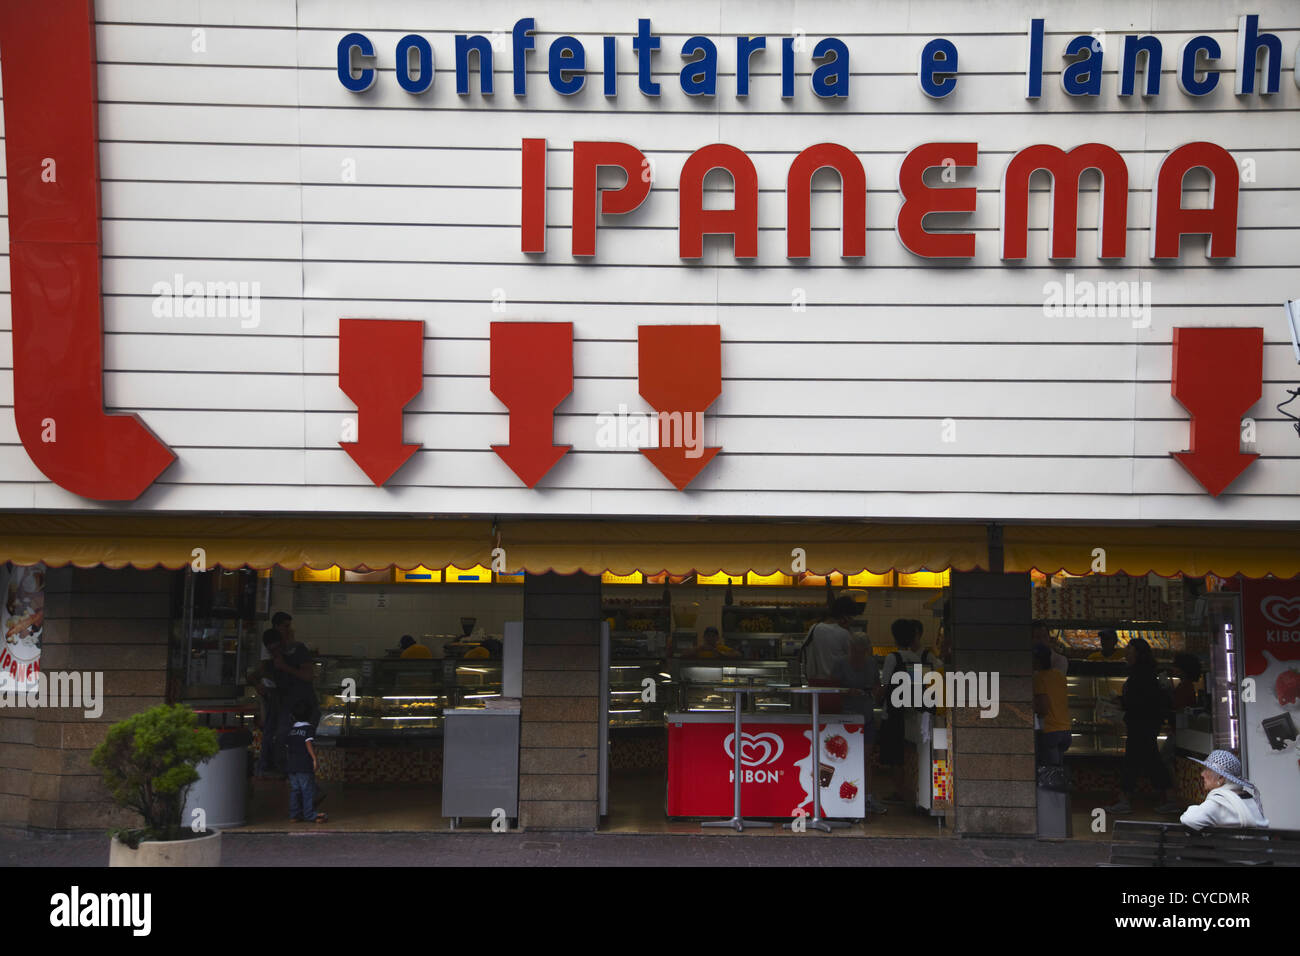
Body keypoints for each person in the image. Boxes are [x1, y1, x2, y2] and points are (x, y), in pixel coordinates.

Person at [1105, 638, 1180, 814]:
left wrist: (1122, 704)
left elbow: (1140, 701)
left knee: (1138, 761)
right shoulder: (1145, 673)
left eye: (1129, 650)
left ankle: (1127, 799)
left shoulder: (1141, 675)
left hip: (1141, 724)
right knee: (1148, 760)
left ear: (1138, 653)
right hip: (1144, 723)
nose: (1126, 653)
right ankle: (1168, 798)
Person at [879, 618, 933, 802]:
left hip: (893, 713)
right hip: (909, 712)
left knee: (894, 756)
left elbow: (884, 685)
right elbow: (921, 687)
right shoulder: (918, 658)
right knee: (907, 751)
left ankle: (899, 792)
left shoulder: (892, 658)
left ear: (895, 637)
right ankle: (910, 790)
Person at [836, 633, 886, 814]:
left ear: (865, 651)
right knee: (845, 759)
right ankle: (843, 798)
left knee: (866, 758)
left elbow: (877, 685)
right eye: (853, 651)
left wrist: (875, 692)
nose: (855, 655)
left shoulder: (871, 663)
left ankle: (867, 798)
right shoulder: (840, 664)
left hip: (866, 716)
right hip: (844, 719)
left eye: (859, 652)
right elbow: (832, 689)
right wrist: (847, 692)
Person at [1179, 750, 1269, 830]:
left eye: (1207, 770)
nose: (1202, 774)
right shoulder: (1249, 799)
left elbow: (1189, 819)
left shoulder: (1220, 802)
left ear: (1221, 778)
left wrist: (1192, 809)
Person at [802, 593, 861, 714]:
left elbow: (805, 654)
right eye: (851, 617)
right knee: (836, 727)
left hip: (815, 687)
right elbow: (855, 659)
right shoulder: (844, 634)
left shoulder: (814, 628)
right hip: (838, 688)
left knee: (817, 725)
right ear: (844, 616)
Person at [285, 699, 328, 824]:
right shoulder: (309, 729)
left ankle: (294, 814)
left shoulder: (291, 730)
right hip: (304, 765)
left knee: (295, 790)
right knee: (307, 790)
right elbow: (308, 743)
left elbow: (288, 747)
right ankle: (310, 815)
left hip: (292, 765)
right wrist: (314, 758)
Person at [251, 628, 284, 776]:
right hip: (274, 698)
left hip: (273, 698)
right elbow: (256, 674)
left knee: (270, 732)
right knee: (271, 732)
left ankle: (266, 765)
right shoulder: (271, 661)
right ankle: (267, 765)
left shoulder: (273, 659)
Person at [1032, 644, 1071, 765]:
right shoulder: (1059, 675)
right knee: (1057, 771)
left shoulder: (1039, 678)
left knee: (1050, 772)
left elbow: (1043, 707)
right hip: (1065, 730)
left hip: (1051, 730)